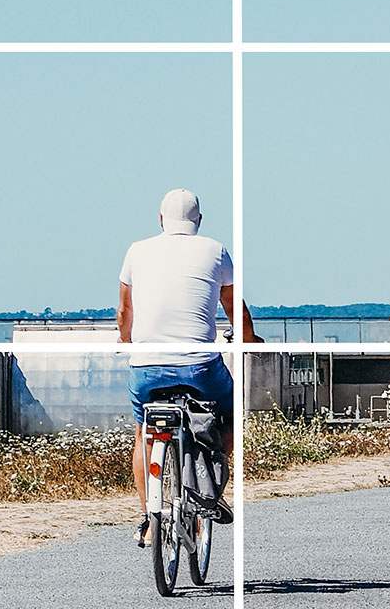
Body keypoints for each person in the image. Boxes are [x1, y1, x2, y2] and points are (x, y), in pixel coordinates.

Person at [117, 188, 259, 546]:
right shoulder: (215, 250)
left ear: (161, 219)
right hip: (198, 366)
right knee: (230, 416)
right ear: (199, 220)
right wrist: (250, 341)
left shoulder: (137, 250)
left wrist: (125, 341)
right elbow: (235, 310)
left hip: (147, 367)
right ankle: (209, 491)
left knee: (142, 434)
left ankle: (150, 520)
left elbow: (125, 312)